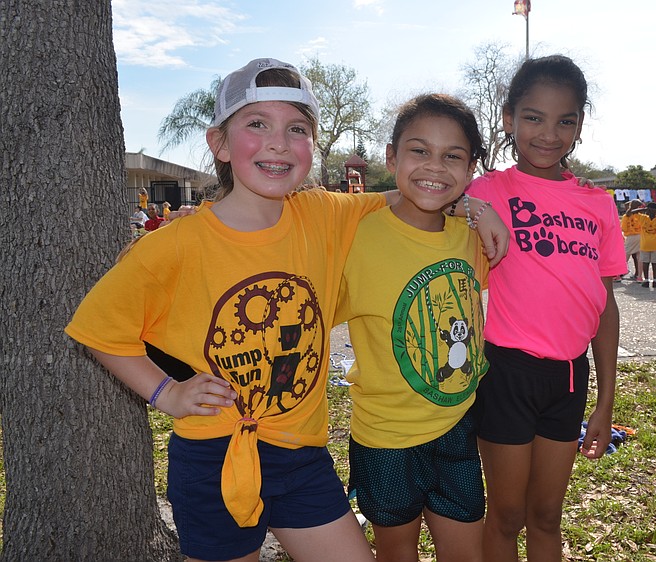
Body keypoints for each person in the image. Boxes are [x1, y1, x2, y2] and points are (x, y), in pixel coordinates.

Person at [65, 58, 508, 562]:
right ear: (220, 144)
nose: (278, 142)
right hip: (216, 454)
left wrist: (472, 206)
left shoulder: (324, 213)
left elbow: (411, 193)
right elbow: (98, 330)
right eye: (257, 124)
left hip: (301, 453)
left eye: (296, 129)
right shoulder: (176, 244)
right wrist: (167, 392)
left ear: (310, 148)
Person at [466, 54, 626, 562]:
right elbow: (426, 195)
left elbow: (604, 305)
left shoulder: (598, 204)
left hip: (569, 378)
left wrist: (606, 400)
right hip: (506, 372)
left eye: (566, 120)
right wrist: (470, 206)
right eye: (533, 118)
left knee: (547, 516)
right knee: (507, 515)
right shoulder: (488, 189)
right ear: (509, 119)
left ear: (580, 125)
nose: (548, 134)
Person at [337, 94, 491, 562]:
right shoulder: (355, 237)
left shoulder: (473, 239)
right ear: (392, 157)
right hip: (385, 439)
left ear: (469, 172)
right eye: (419, 151)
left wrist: (480, 212)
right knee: (396, 553)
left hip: (457, 429)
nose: (435, 167)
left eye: (453, 156)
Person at [629, 202, 656, 287]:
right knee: (654, 263)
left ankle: (647, 280)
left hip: (646, 244)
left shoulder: (643, 218)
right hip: (655, 245)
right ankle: (655, 280)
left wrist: (646, 210)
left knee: (646, 263)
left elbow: (633, 211)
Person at [620, 199, 644, 281]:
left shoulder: (626, 216)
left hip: (630, 237)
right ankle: (640, 276)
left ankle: (618, 274)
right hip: (640, 236)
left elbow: (623, 228)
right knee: (639, 256)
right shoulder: (640, 215)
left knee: (625, 256)